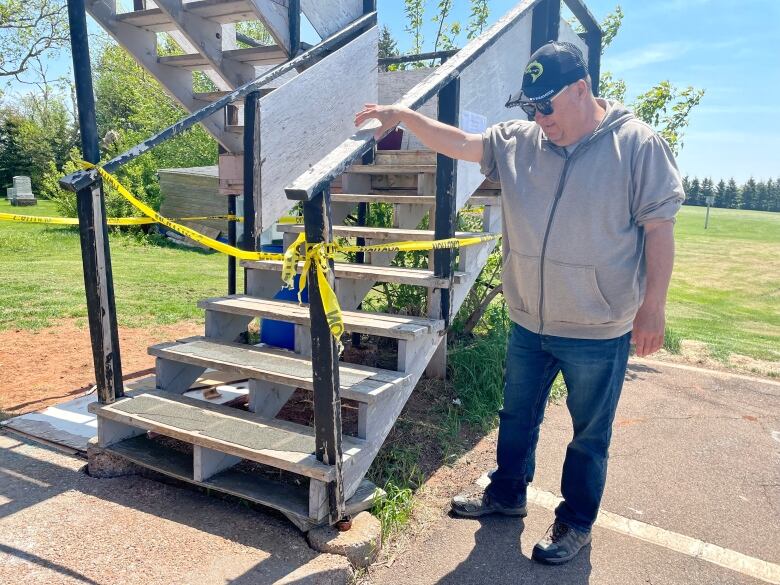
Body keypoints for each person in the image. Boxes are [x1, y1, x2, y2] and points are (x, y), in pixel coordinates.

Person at [354, 41, 684, 565]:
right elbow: (460, 142)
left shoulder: (637, 144)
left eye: (545, 106)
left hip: (599, 327)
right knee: (516, 415)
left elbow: (659, 229)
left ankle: (576, 522)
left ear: (581, 89)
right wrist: (406, 116)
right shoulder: (519, 141)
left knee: (589, 435)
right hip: (530, 318)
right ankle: (507, 494)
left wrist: (654, 307)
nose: (538, 118)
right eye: (530, 107)